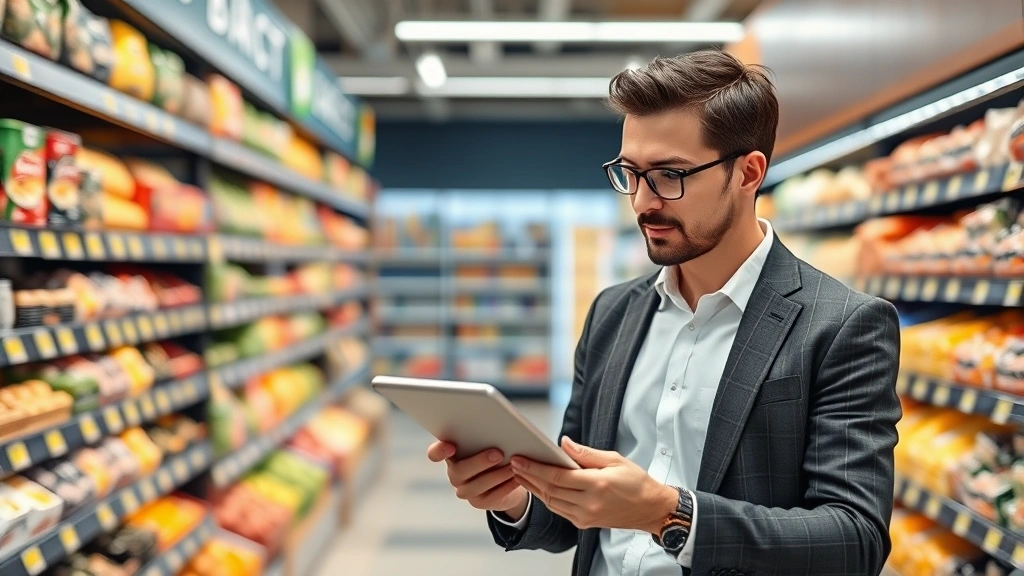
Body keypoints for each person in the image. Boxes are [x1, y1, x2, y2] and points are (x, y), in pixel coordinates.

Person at [426, 49, 901, 576]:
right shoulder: (613, 313)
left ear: (748, 173)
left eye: (669, 175)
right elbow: (572, 521)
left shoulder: (841, 325)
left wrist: (667, 513)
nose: (642, 202)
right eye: (630, 173)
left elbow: (854, 542)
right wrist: (514, 496)